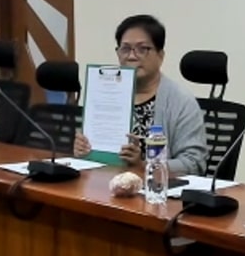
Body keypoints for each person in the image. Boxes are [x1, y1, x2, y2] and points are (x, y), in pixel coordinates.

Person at [73, 15, 207, 176]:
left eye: (142, 49)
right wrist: (83, 150)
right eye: (125, 49)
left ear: (160, 55)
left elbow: (194, 163)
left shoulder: (180, 101)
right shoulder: (105, 94)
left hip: (155, 192)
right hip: (105, 184)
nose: (131, 56)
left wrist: (144, 165)